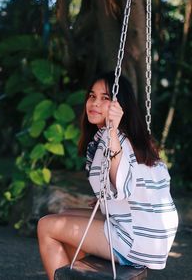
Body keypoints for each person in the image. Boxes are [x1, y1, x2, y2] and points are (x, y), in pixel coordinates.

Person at [37, 71, 178, 280]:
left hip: (136, 238)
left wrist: (111, 130)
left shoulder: (114, 138)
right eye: (92, 96)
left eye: (105, 98)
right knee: (66, 213)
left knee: (46, 226)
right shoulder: (134, 138)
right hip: (149, 232)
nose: (94, 103)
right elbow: (134, 186)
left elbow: (122, 184)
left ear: (119, 107)